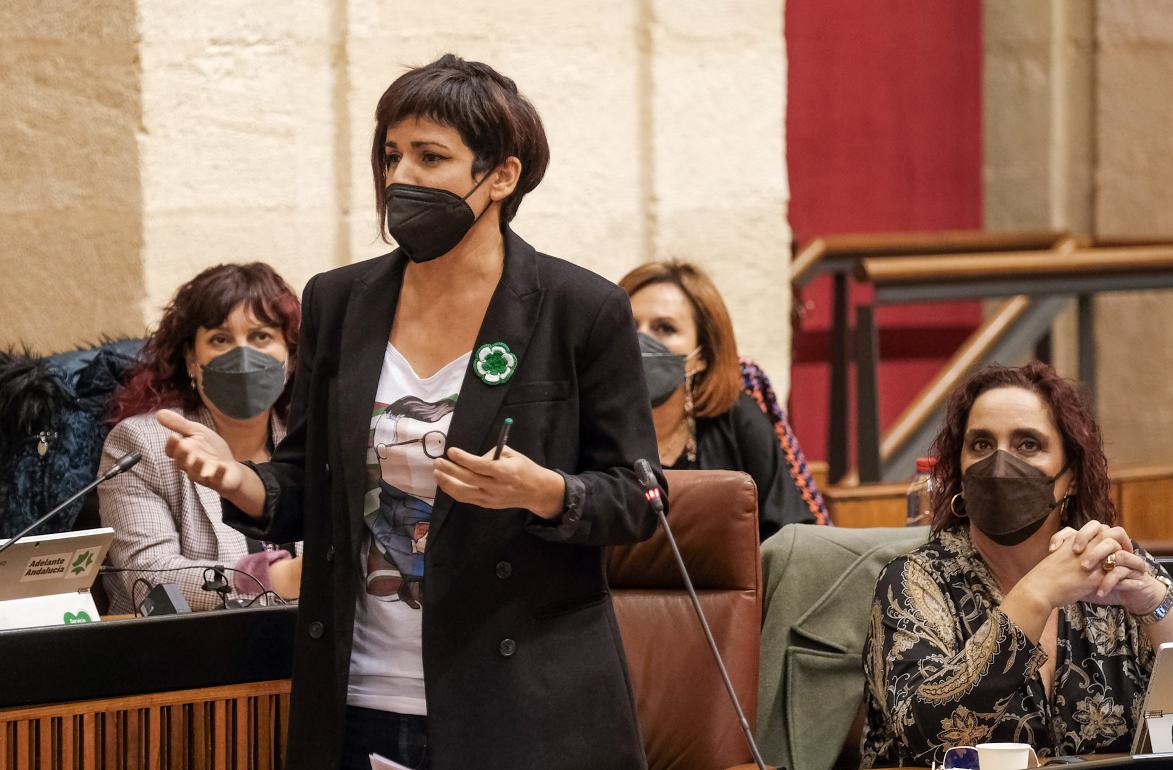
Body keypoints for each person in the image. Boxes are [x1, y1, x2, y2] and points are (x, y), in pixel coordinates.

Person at [157, 55, 661, 770]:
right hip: (358, 691)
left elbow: (642, 497)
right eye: (390, 155)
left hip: (520, 699)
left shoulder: (581, 309)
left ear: (501, 176)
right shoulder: (341, 301)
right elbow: (311, 477)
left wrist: (548, 491)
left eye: (431, 158)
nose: (400, 178)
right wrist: (240, 480)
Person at [860, 362, 1173, 767]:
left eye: (1028, 444)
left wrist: (1155, 607)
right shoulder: (912, 582)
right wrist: (1037, 592)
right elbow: (927, 733)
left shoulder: (1113, 564)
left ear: (1072, 475)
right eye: (982, 445)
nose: (1001, 464)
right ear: (959, 470)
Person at [98, 263, 303, 613]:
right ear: (192, 360)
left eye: (261, 337)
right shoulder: (143, 444)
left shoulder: (309, 438)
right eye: (221, 339)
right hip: (193, 659)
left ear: (292, 358)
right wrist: (270, 579)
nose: (243, 355)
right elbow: (147, 578)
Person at [620, 260, 815, 539]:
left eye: (665, 328)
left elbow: (792, 536)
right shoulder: (590, 425)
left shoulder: (737, 419)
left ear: (701, 357)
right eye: (630, 324)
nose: (640, 341)